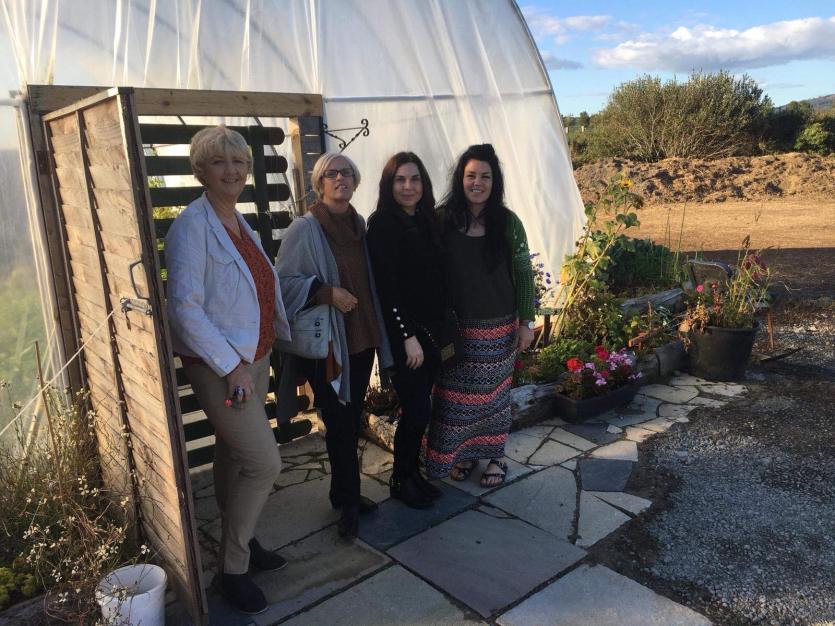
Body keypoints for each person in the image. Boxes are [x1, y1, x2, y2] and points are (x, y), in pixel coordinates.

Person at [166, 126, 290, 615]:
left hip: (253, 359)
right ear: (201, 170)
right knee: (264, 462)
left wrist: (263, 353)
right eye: (220, 162)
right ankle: (233, 568)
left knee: (234, 458)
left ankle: (244, 533)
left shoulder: (239, 222)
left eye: (238, 161)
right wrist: (233, 366)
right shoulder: (191, 227)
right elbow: (185, 309)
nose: (232, 170)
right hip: (223, 368)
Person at [276, 152, 392, 540]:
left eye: (346, 173)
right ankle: (349, 503)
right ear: (319, 183)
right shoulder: (305, 230)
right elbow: (283, 284)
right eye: (331, 174)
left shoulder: (358, 224)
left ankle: (342, 492)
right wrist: (326, 292)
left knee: (350, 418)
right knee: (339, 423)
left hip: (360, 340)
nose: (340, 178)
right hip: (329, 346)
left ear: (355, 181)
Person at [424, 143, 535, 488]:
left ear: (494, 181)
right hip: (455, 331)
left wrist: (526, 323)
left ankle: (496, 457)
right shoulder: (442, 219)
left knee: (494, 400)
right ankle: (462, 456)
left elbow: (523, 273)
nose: (477, 182)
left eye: (485, 176)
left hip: (499, 329)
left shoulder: (508, 223)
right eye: (471, 175)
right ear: (461, 179)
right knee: (452, 401)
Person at [367, 152, 445, 509]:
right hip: (406, 338)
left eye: (415, 179)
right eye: (400, 180)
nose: (408, 186)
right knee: (415, 409)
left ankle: (413, 473)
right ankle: (400, 479)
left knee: (422, 407)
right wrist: (406, 336)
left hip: (430, 332)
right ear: (389, 184)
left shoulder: (426, 220)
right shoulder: (382, 224)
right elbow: (387, 289)